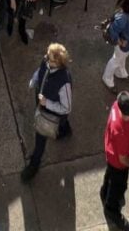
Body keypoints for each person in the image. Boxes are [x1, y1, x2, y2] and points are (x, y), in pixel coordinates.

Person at [21, 42, 73, 181]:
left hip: (50, 113)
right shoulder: (46, 61)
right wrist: (34, 80)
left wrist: (47, 103)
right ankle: (65, 130)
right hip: (42, 103)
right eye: (47, 56)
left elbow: (66, 108)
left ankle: (33, 166)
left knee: (40, 139)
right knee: (62, 124)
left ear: (59, 63)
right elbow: (40, 71)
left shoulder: (64, 81)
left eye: (50, 59)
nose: (46, 60)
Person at [101, 91, 129, 230]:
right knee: (119, 186)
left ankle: (104, 192)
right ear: (127, 115)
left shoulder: (116, 106)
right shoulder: (121, 132)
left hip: (110, 152)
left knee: (109, 177)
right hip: (118, 164)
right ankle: (111, 209)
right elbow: (123, 159)